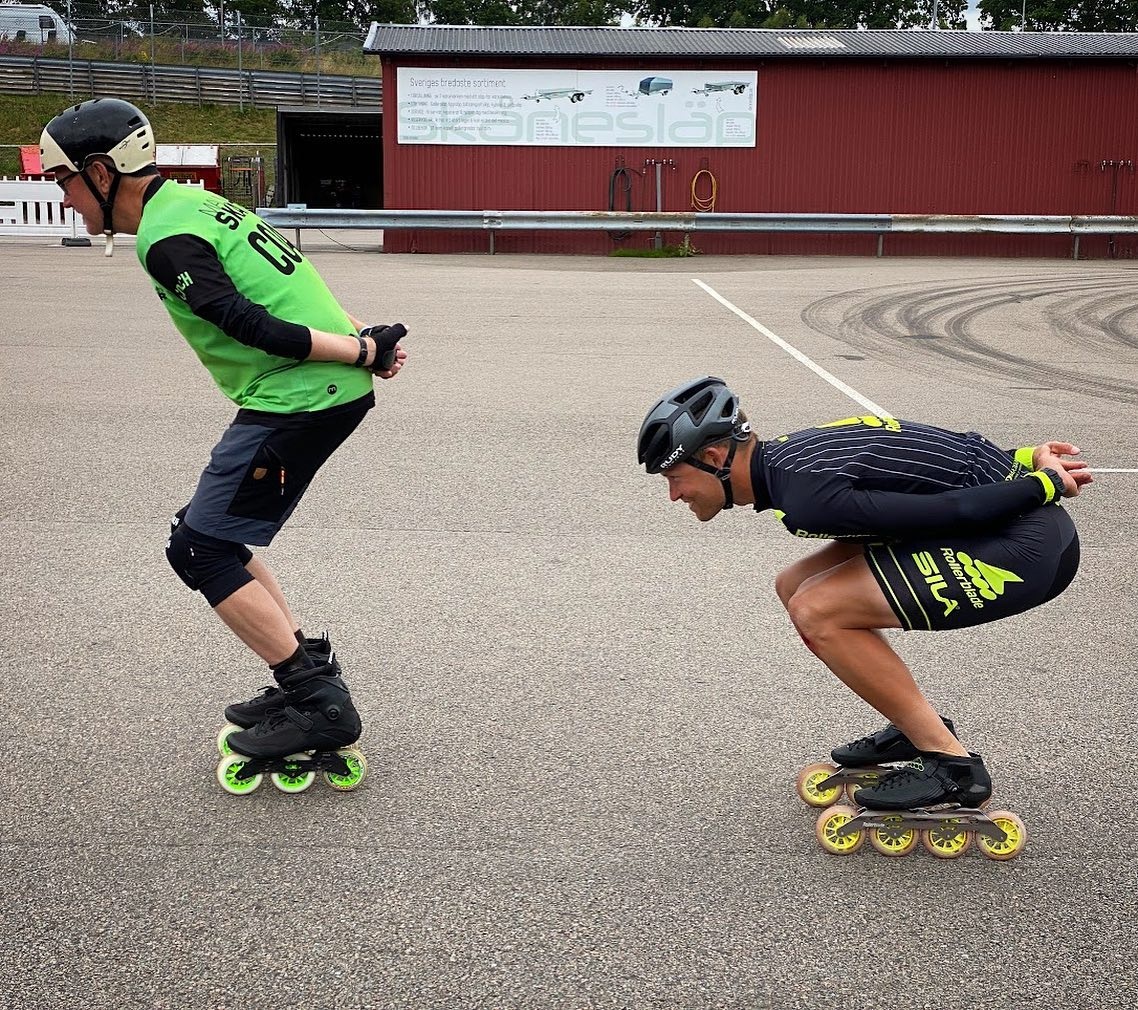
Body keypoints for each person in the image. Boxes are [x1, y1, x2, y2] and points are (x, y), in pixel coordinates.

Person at [40, 98, 409, 779]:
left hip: (300, 396)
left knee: (198, 546)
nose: (60, 198)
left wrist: (359, 353)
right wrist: (361, 341)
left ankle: (317, 700)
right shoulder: (193, 206)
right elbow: (294, 283)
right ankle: (304, 665)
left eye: (58, 180)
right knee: (213, 537)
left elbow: (253, 323)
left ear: (97, 172)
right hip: (305, 391)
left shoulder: (166, 238)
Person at [637, 375, 1090, 810]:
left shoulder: (807, 497)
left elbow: (953, 507)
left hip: (1025, 547)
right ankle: (916, 727)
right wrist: (1026, 458)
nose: (675, 495)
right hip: (1011, 518)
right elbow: (934, 460)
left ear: (715, 457)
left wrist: (1042, 482)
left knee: (819, 610)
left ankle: (952, 766)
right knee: (793, 586)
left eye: (673, 478)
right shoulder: (792, 462)